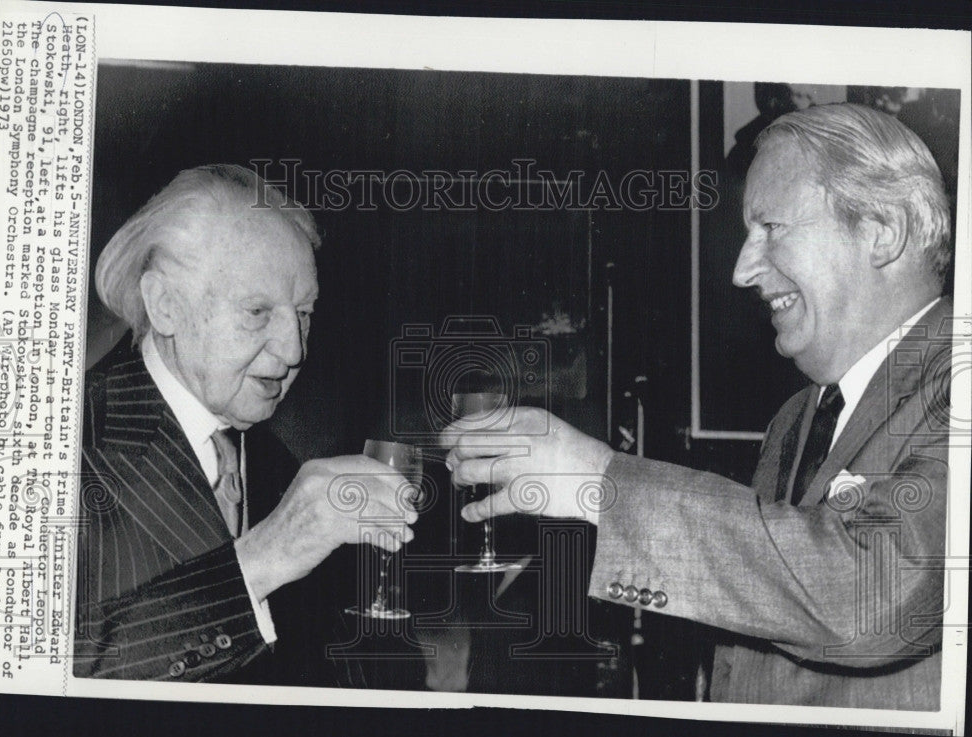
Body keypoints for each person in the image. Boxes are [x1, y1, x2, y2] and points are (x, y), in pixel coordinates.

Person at [441, 104, 953, 709]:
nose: (742, 269)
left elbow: (871, 595)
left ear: (881, 230)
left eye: (772, 228)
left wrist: (600, 484)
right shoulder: (797, 416)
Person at [74, 164, 417, 683]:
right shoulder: (59, 441)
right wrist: (262, 559)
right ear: (165, 305)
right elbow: (34, 678)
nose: (293, 350)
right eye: (258, 311)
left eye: (304, 314)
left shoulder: (273, 463)